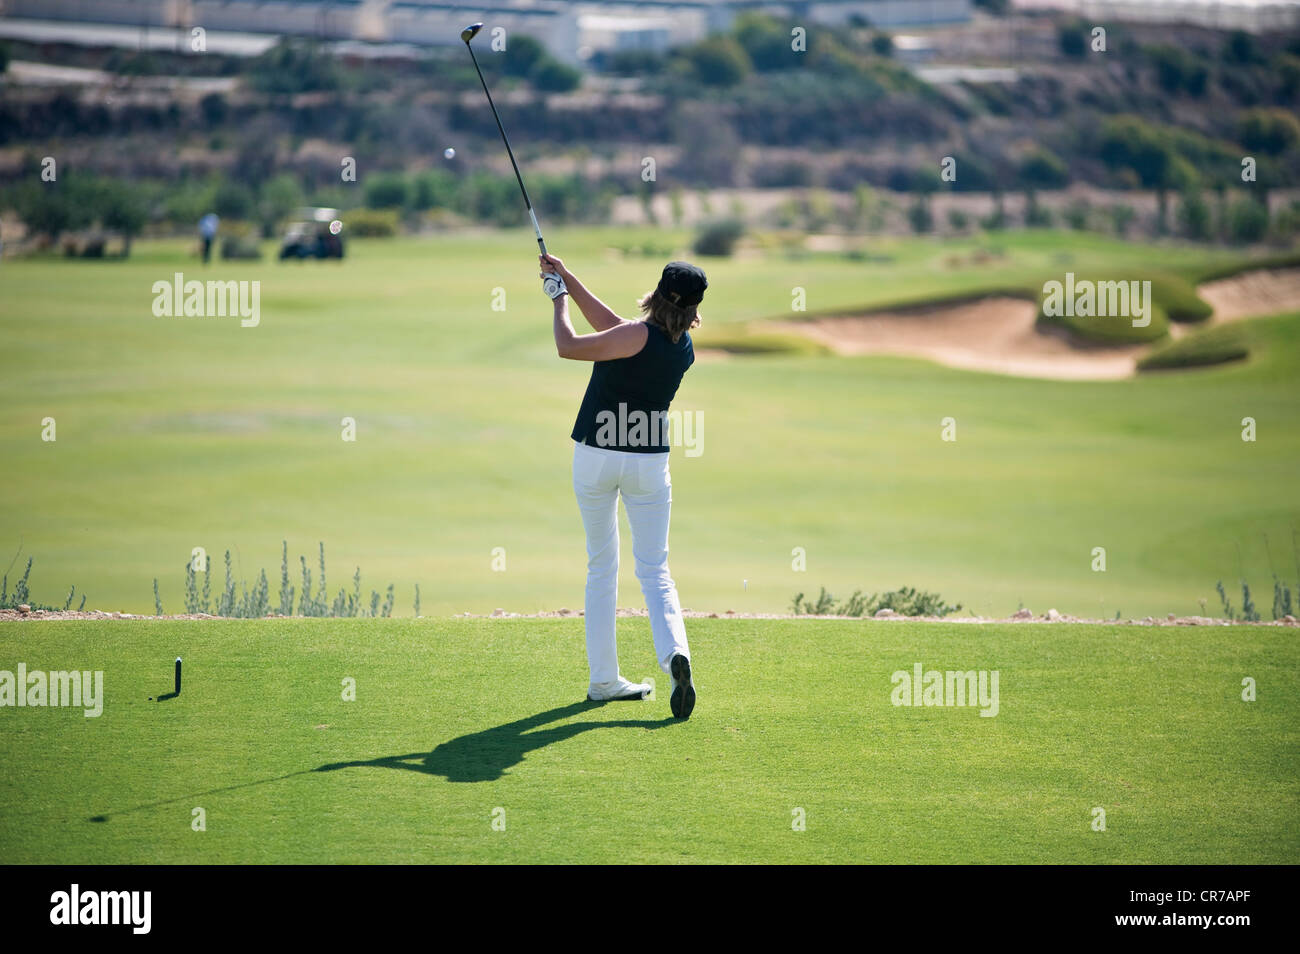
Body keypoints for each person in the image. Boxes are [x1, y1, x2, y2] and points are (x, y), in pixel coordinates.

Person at [540, 252, 705, 720]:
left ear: (655, 292)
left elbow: (569, 346)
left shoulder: (635, 335)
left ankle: (604, 680)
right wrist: (570, 279)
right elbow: (618, 329)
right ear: (693, 308)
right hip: (649, 465)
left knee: (601, 567)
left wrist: (557, 302)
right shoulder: (682, 349)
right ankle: (676, 653)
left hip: (596, 456)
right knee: (655, 570)